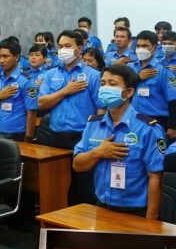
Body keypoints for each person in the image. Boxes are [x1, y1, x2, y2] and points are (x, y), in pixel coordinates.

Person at [73, 65, 165, 218]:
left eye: (112, 84)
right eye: (103, 83)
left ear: (129, 92)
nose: (105, 88)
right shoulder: (94, 124)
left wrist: (151, 220)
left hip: (136, 211)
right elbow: (77, 165)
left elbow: (156, 177)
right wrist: (97, 153)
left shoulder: (148, 129)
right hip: (101, 205)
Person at [37, 30, 104, 203]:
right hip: (56, 137)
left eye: (67, 46)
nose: (63, 50)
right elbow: (42, 103)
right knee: (57, 187)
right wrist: (65, 91)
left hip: (82, 138)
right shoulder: (51, 74)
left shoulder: (93, 75)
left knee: (84, 189)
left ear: (79, 49)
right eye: (60, 46)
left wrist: (96, 137)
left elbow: (101, 110)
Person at [0, 38, 38, 142]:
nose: (1, 60)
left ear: (16, 57)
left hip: (18, 135)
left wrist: (28, 138)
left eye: (5, 56)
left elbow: (32, 112)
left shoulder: (26, 81)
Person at [128, 31, 176, 136]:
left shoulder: (164, 70)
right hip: (133, 119)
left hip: (157, 121)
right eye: (138, 46)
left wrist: (173, 127)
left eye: (145, 46)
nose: (140, 49)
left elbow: (173, 100)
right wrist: (137, 78)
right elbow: (122, 89)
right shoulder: (130, 68)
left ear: (154, 48)